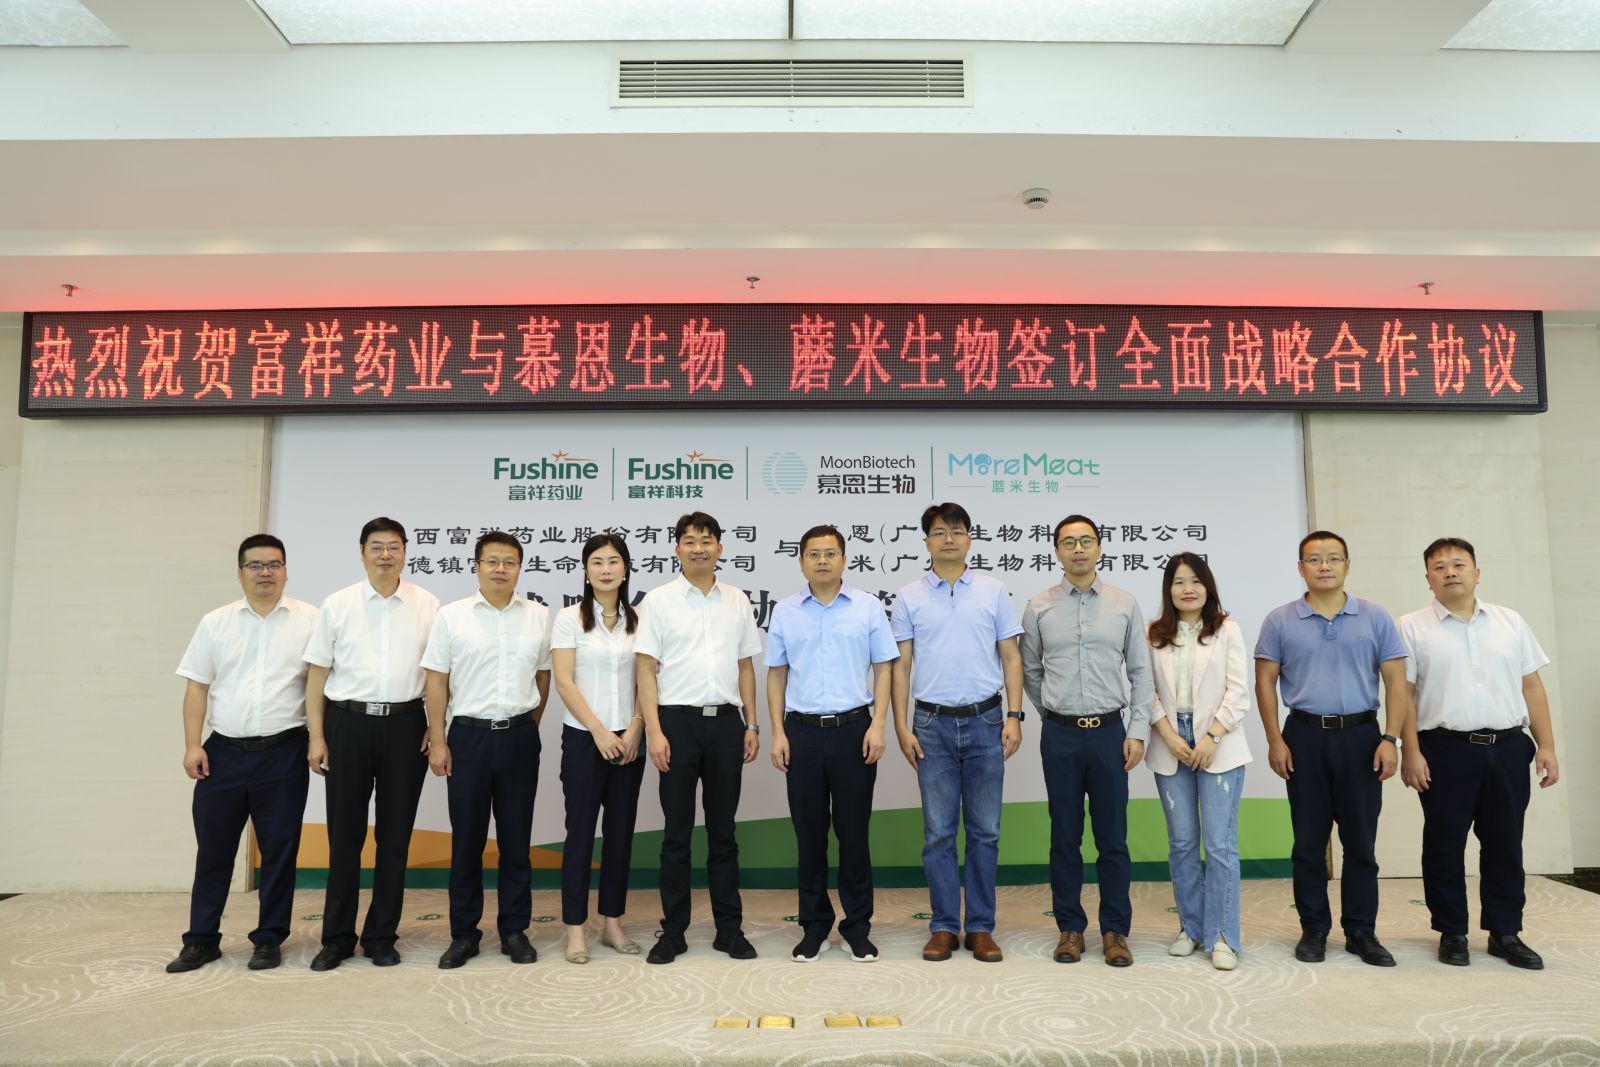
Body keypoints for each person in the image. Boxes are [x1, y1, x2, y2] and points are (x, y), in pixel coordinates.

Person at [1398, 537, 1560, 970]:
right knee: (1444, 844)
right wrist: (1410, 751)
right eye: (1439, 567)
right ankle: (1452, 931)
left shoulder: (1510, 621)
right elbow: (1403, 694)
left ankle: (1505, 933)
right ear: (1428, 578)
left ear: (1477, 572)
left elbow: (1532, 686)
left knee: (1505, 844)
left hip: (1508, 748)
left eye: (1459, 564)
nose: (1450, 572)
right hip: (1443, 749)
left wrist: (1546, 745)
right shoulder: (1410, 627)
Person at [1255, 530, 1412, 967]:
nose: (1324, 566)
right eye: (1314, 559)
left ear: (1347, 565)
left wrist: (1391, 739)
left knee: (1360, 842)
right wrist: (1275, 740)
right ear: (1300, 568)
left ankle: (1361, 931)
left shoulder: (1375, 617)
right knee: (1308, 841)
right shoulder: (1280, 620)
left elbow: (1397, 682)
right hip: (1303, 737)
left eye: (1333, 558)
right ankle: (1314, 929)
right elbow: (1264, 682)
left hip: (1362, 738)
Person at [166, 534, 318, 973]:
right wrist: (192, 744)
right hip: (223, 753)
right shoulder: (215, 622)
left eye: (274, 564)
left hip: (285, 751)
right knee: (213, 852)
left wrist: (318, 738)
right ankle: (201, 940)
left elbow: (320, 686)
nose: (265, 572)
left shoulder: (311, 620)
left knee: (279, 853)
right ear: (239, 573)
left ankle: (269, 939)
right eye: (255, 565)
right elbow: (197, 686)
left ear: (286, 571)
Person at [303, 516, 441, 971]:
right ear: (362, 552)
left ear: (406, 553)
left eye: (394, 546)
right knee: (344, 837)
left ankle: (381, 935)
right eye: (377, 546)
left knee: (395, 838)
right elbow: (317, 676)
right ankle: (337, 938)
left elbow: (440, 674)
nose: (386, 554)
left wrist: (437, 726)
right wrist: (317, 736)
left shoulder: (428, 604)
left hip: (406, 726)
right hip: (348, 725)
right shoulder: (338, 604)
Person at [891, 502, 1024, 964]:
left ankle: (981, 927)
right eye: (939, 532)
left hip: (987, 721)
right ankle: (945, 926)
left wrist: (1014, 715)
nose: (948, 539)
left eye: (957, 531)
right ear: (926, 541)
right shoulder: (908, 596)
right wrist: (901, 726)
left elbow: (1011, 656)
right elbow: (901, 666)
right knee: (938, 833)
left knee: (985, 832)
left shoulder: (993, 590)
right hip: (931, 725)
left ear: (969, 539)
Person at [1021, 514, 1153, 967]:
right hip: (1059, 735)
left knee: (1113, 838)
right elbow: (1030, 670)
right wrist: (1051, 713)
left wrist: (1137, 732)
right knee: (1065, 837)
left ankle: (1115, 930)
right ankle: (1070, 929)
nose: (1078, 549)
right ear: (1056, 551)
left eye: (1086, 541)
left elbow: (1141, 672)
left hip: (1111, 735)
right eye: (1068, 542)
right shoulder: (1038, 606)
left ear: (1099, 547)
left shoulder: (1123, 603)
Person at [767, 524, 898, 963]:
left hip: (854, 731)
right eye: (813, 553)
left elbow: (884, 668)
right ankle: (814, 926)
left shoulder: (867, 607)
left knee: (854, 835)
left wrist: (878, 725)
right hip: (801, 733)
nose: (822, 560)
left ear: (843, 559)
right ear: (801, 561)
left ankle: (858, 927)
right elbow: (776, 675)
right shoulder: (786, 611)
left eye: (830, 553)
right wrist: (778, 732)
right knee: (809, 836)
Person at [635, 512, 762, 964]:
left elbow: (746, 666)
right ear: (677, 549)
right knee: (676, 834)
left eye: (707, 540)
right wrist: (654, 730)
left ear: (720, 548)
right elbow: (645, 669)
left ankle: (730, 929)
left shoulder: (737, 600)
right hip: (677, 725)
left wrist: (751, 723)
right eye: (689, 541)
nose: (698, 548)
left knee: (724, 833)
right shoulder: (658, 601)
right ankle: (673, 932)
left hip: (726, 724)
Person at [421, 531, 552, 969]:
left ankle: (514, 930)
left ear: (520, 568)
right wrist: (438, 740)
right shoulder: (452, 616)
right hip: (468, 739)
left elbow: (543, 677)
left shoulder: (538, 616)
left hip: (518, 737)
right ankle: (464, 934)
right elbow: (436, 681)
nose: (501, 569)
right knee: (467, 841)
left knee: (516, 841)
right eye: (492, 561)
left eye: (510, 562)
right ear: (476, 566)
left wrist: (526, 726)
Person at [1144, 552, 1251, 971]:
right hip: (1171, 742)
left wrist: (1212, 737)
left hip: (1219, 743)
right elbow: (1145, 691)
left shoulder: (1227, 630)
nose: (1187, 589)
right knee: (1183, 843)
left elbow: (1238, 693)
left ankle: (1223, 935)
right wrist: (1170, 736)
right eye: (1178, 582)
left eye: (1195, 581)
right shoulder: (1154, 634)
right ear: (1168, 590)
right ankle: (1190, 928)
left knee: (1220, 845)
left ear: (1208, 586)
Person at [552, 533, 647, 965]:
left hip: (629, 739)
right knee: (580, 834)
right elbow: (564, 681)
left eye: (613, 562)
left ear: (626, 569)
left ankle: (612, 922)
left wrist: (636, 727)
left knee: (620, 835)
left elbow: (648, 679)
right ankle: (575, 928)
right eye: (596, 562)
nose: (605, 569)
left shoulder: (640, 620)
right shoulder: (569, 618)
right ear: (586, 572)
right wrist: (598, 731)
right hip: (584, 738)